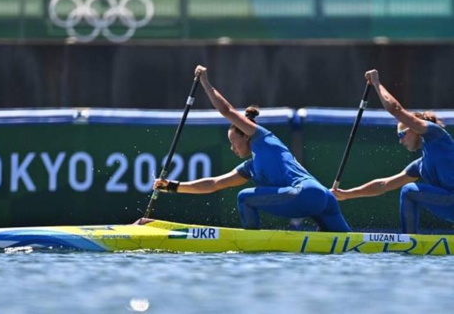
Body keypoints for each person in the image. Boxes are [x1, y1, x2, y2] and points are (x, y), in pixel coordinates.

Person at [153, 65, 351, 232]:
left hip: (305, 193)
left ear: (246, 135)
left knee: (244, 198)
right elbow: (213, 184)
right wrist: (172, 186)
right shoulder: (250, 167)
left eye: (233, 142)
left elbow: (226, 111)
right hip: (324, 197)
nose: (232, 148)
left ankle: (252, 247)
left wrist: (205, 81)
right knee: (352, 245)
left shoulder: (262, 138)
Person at [332, 69, 454, 234]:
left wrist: (376, 83)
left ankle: (409, 244)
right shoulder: (420, 166)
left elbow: (395, 109)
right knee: (408, 191)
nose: (400, 140)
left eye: (402, 134)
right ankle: (410, 248)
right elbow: (383, 185)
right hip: (449, 205)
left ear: (413, 129)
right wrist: (346, 194)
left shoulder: (435, 134)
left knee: (409, 190)